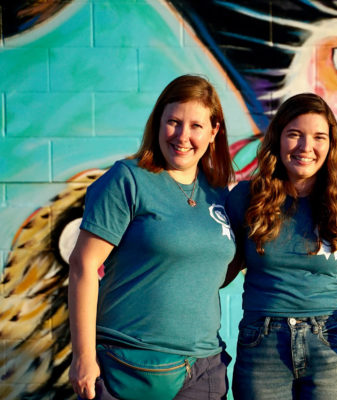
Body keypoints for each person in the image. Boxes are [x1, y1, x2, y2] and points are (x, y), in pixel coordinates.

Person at [68, 74, 236, 400]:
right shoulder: (127, 179)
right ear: (158, 123)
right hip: (129, 363)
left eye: (196, 126)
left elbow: (210, 270)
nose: (182, 136)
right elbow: (82, 267)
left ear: (214, 132)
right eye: (173, 122)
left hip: (203, 366)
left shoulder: (217, 193)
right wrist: (83, 356)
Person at [225, 93, 337, 400]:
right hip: (261, 344)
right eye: (295, 135)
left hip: (333, 342)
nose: (306, 147)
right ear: (278, 139)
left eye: (319, 137)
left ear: (331, 144)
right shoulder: (245, 198)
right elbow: (221, 270)